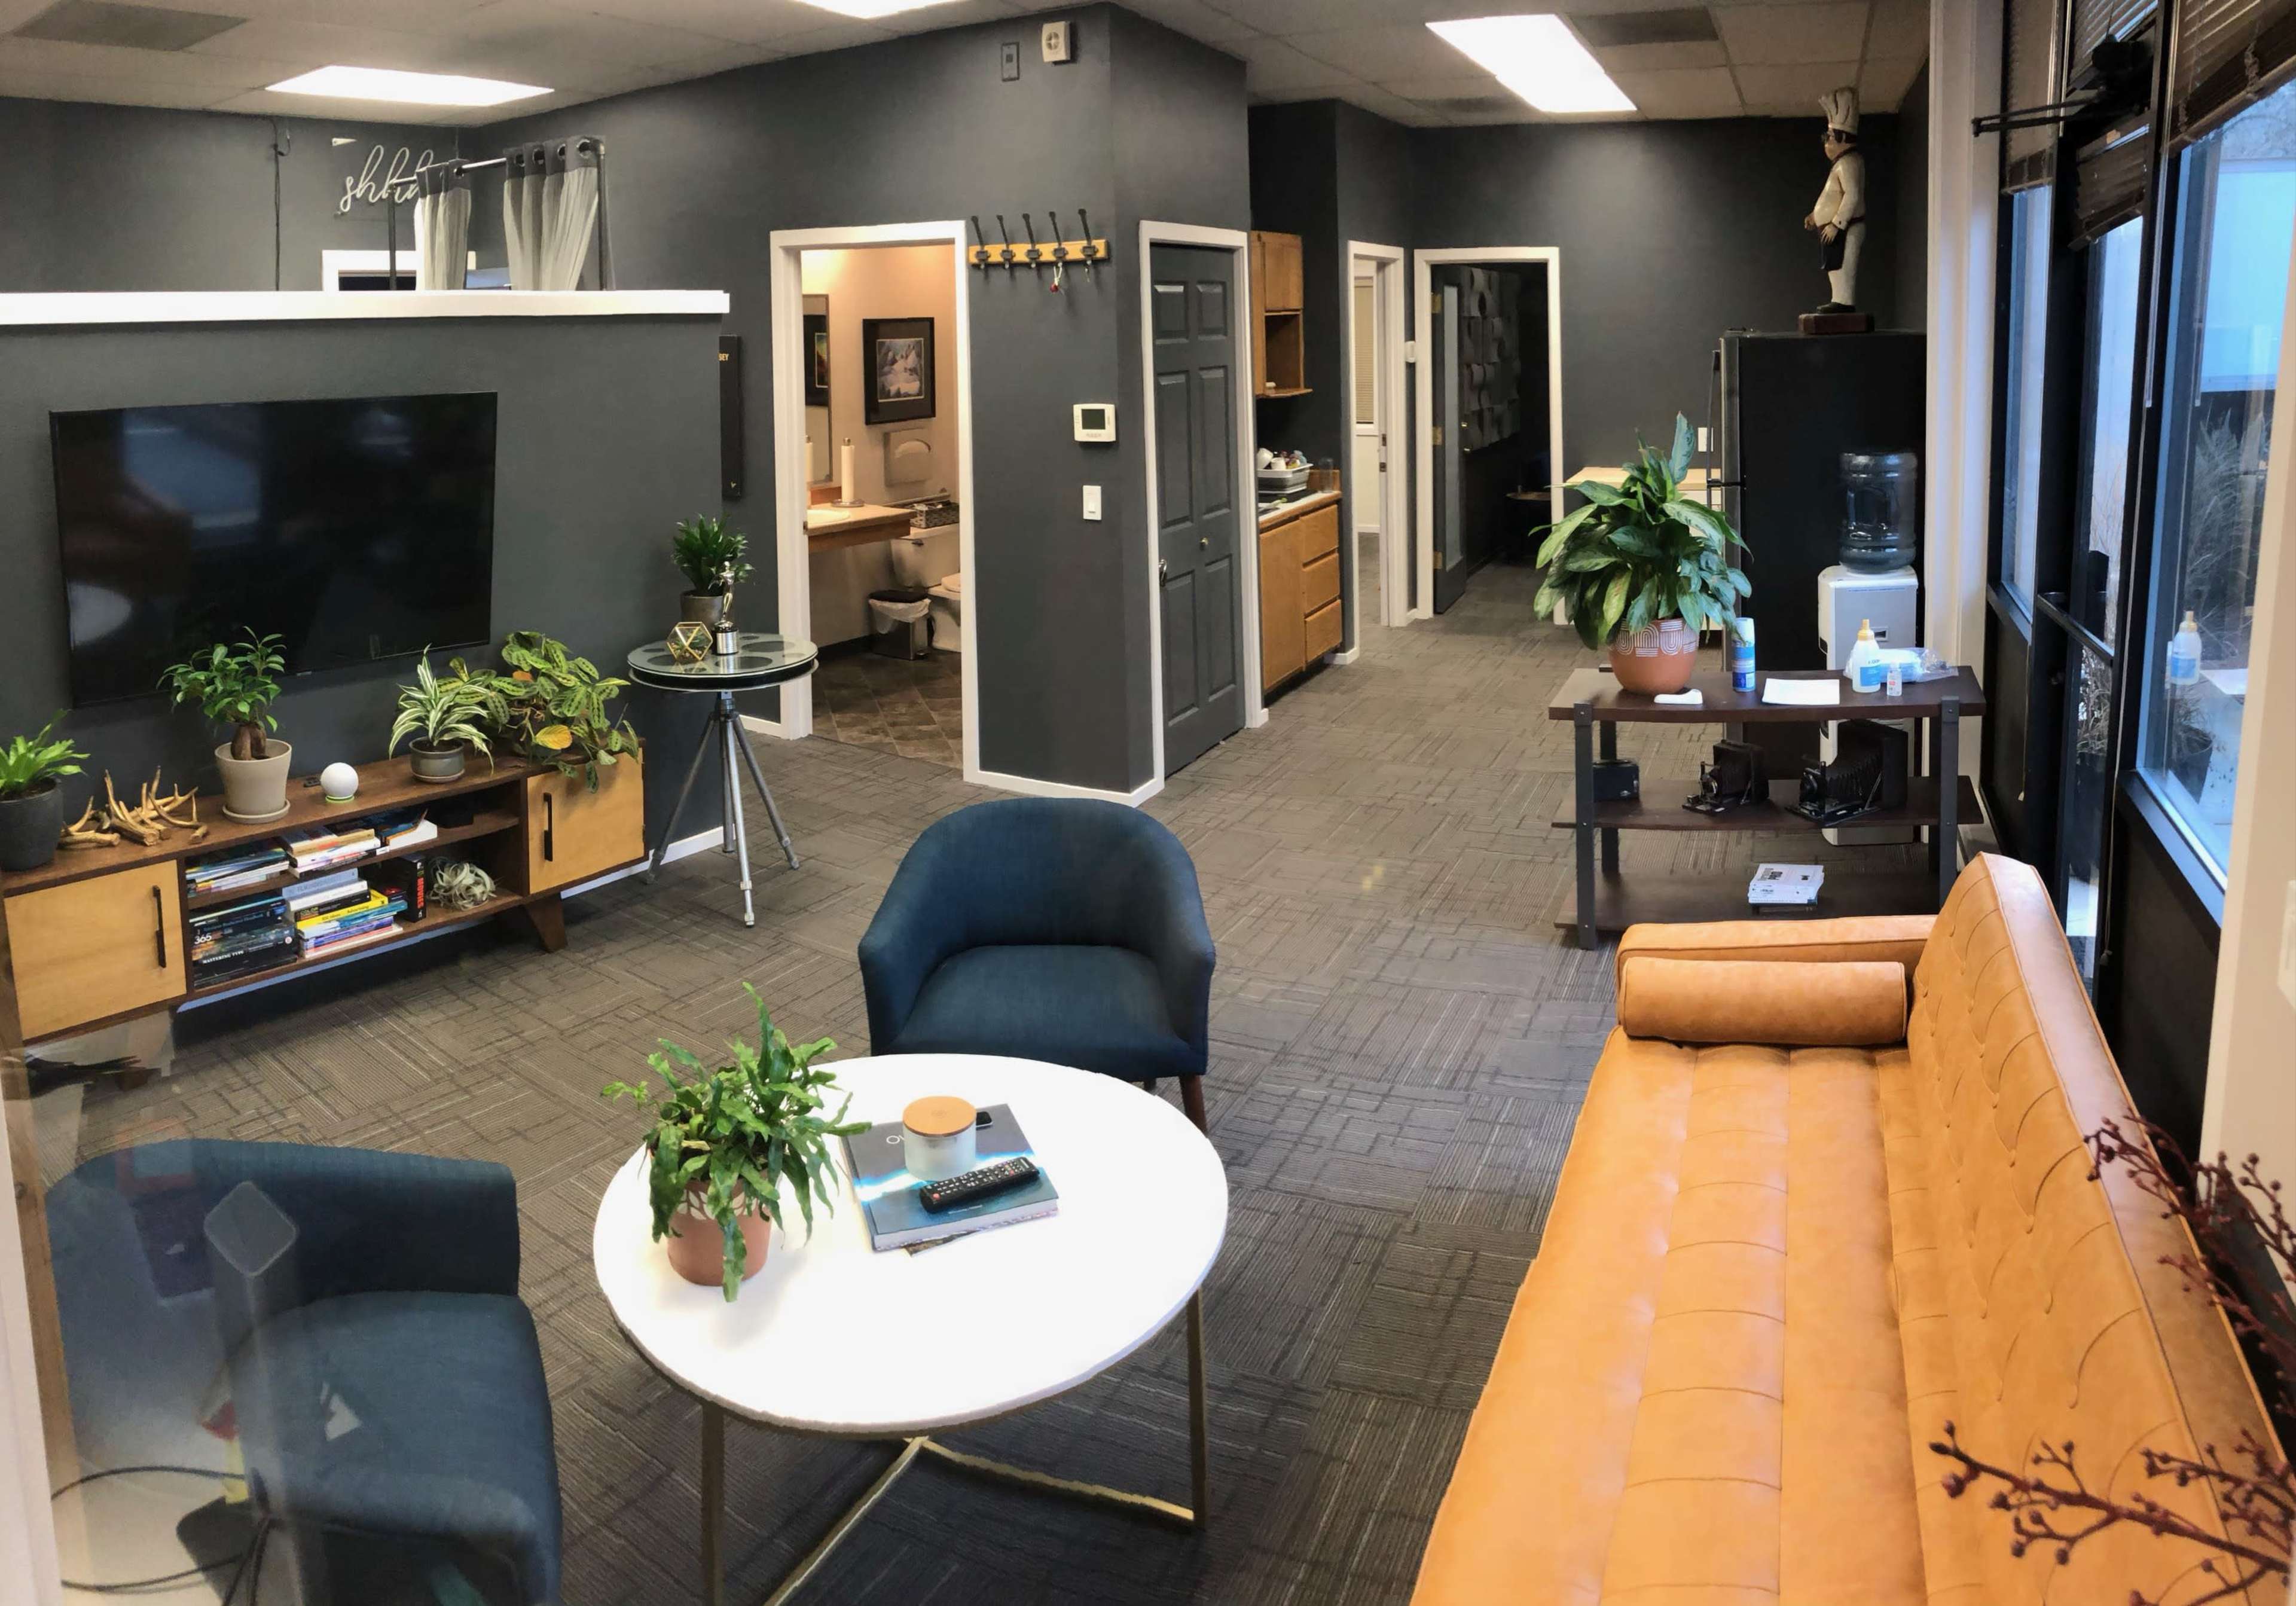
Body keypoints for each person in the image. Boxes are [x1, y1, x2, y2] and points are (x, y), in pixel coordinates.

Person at [1803, 88, 1866, 313]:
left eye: (1828, 138)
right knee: (1835, 268)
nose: (1826, 143)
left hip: (1846, 227)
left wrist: (1837, 223)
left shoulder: (1849, 163)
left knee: (1843, 267)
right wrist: (1816, 216)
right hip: (1836, 228)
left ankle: (1844, 303)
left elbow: (1852, 195)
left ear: (1840, 139)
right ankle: (1839, 301)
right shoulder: (1843, 163)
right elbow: (1833, 195)